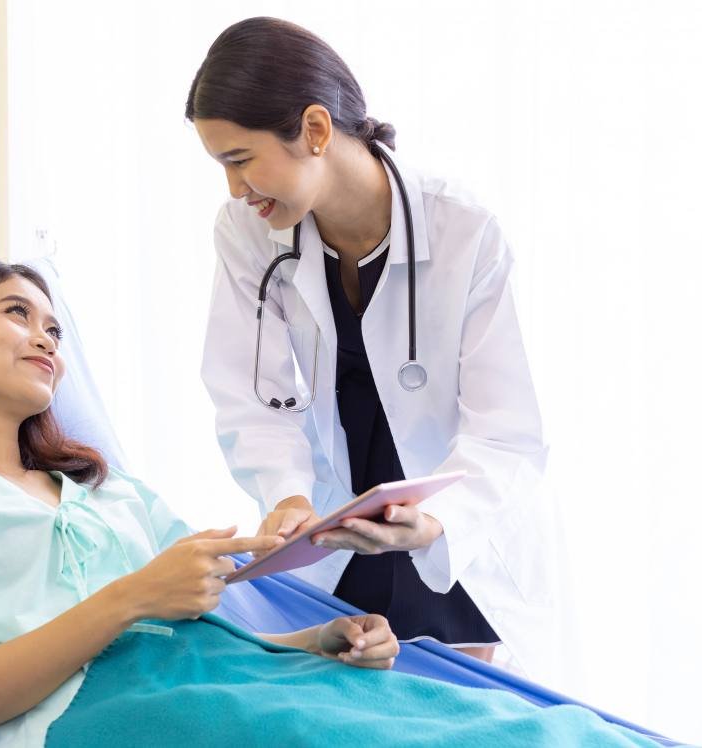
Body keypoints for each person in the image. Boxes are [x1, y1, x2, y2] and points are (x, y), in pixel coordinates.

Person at [0, 261, 399, 747]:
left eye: (54, 328)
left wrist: (315, 646)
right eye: (17, 313)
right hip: (104, 716)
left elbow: (195, 646)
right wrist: (133, 594)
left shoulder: (110, 489)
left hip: (218, 683)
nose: (47, 340)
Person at [187, 17, 555, 676]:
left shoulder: (464, 231)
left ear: (316, 129)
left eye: (240, 160)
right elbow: (250, 400)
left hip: (453, 552)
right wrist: (286, 497)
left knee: (462, 717)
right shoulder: (246, 234)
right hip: (334, 546)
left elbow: (506, 431)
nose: (235, 190)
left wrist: (439, 520)